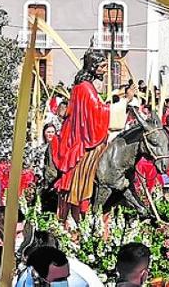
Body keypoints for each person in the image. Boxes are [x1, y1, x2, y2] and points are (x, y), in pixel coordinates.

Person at [51, 50, 112, 218]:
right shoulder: (85, 88)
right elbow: (95, 112)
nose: (105, 70)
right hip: (83, 138)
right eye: (102, 66)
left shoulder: (85, 87)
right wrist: (112, 107)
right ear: (93, 67)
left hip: (82, 133)